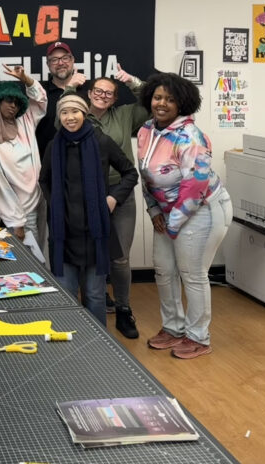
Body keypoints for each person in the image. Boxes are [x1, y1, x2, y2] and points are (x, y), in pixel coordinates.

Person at [137, 72, 232, 360]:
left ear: (182, 104)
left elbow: (196, 185)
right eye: (157, 97)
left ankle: (198, 337)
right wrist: (154, 211)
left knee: (192, 274)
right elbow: (146, 176)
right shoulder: (146, 131)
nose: (161, 103)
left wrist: (173, 224)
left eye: (169, 99)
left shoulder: (191, 137)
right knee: (164, 271)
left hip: (201, 211)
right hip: (165, 214)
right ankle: (174, 328)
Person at [40, 94, 138, 325]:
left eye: (75, 111)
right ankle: (73, 345)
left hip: (95, 232)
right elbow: (44, 180)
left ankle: (99, 348)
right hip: (64, 233)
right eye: (64, 112)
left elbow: (130, 173)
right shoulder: (54, 146)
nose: (69, 117)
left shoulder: (101, 141)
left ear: (84, 114)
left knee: (95, 294)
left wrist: (114, 197)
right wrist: (56, 203)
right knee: (67, 293)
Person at [88, 67, 150, 338]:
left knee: (121, 258)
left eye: (109, 93)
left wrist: (132, 80)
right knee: (93, 254)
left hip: (121, 191)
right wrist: (68, 91)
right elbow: (58, 123)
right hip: (89, 193)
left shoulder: (124, 115)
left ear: (114, 99)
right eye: (98, 91)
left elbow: (149, 103)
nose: (102, 96)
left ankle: (124, 309)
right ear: (89, 94)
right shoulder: (78, 115)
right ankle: (99, 303)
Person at [0, 65, 47, 258]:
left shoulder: (24, 120)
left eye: (17, 102)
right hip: (21, 213)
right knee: (31, 263)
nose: (13, 106)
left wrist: (26, 79)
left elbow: (41, 99)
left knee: (41, 257)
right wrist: (16, 220)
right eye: (8, 100)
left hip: (40, 201)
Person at [35, 41, 88, 157]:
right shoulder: (39, 93)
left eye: (65, 58)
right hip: (48, 163)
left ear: (73, 60)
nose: (60, 63)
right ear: (48, 64)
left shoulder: (87, 91)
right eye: (54, 60)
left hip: (82, 161)